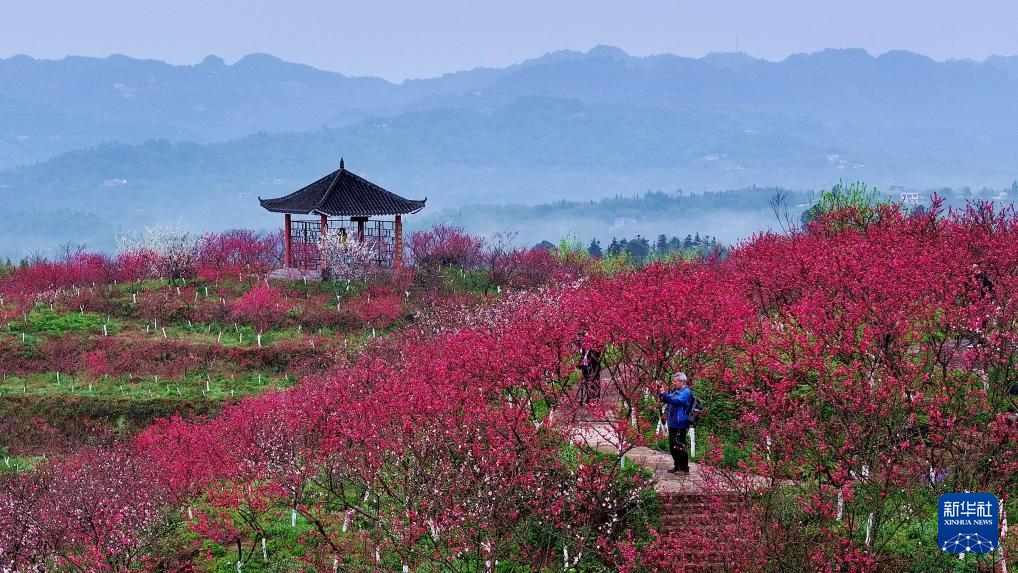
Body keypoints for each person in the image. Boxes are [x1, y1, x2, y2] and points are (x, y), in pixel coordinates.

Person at [659, 372, 693, 474]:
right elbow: (668, 399)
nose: (673, 383)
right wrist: (662, 394)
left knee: (680, 446)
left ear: (682, 381)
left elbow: (677, 401)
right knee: (673, 447)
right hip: (673, 423)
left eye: (675, 381)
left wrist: (666, 395)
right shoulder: (677, 391)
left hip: (680, 423)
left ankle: (684, 468)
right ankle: (677, 466)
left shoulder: (686, 392)